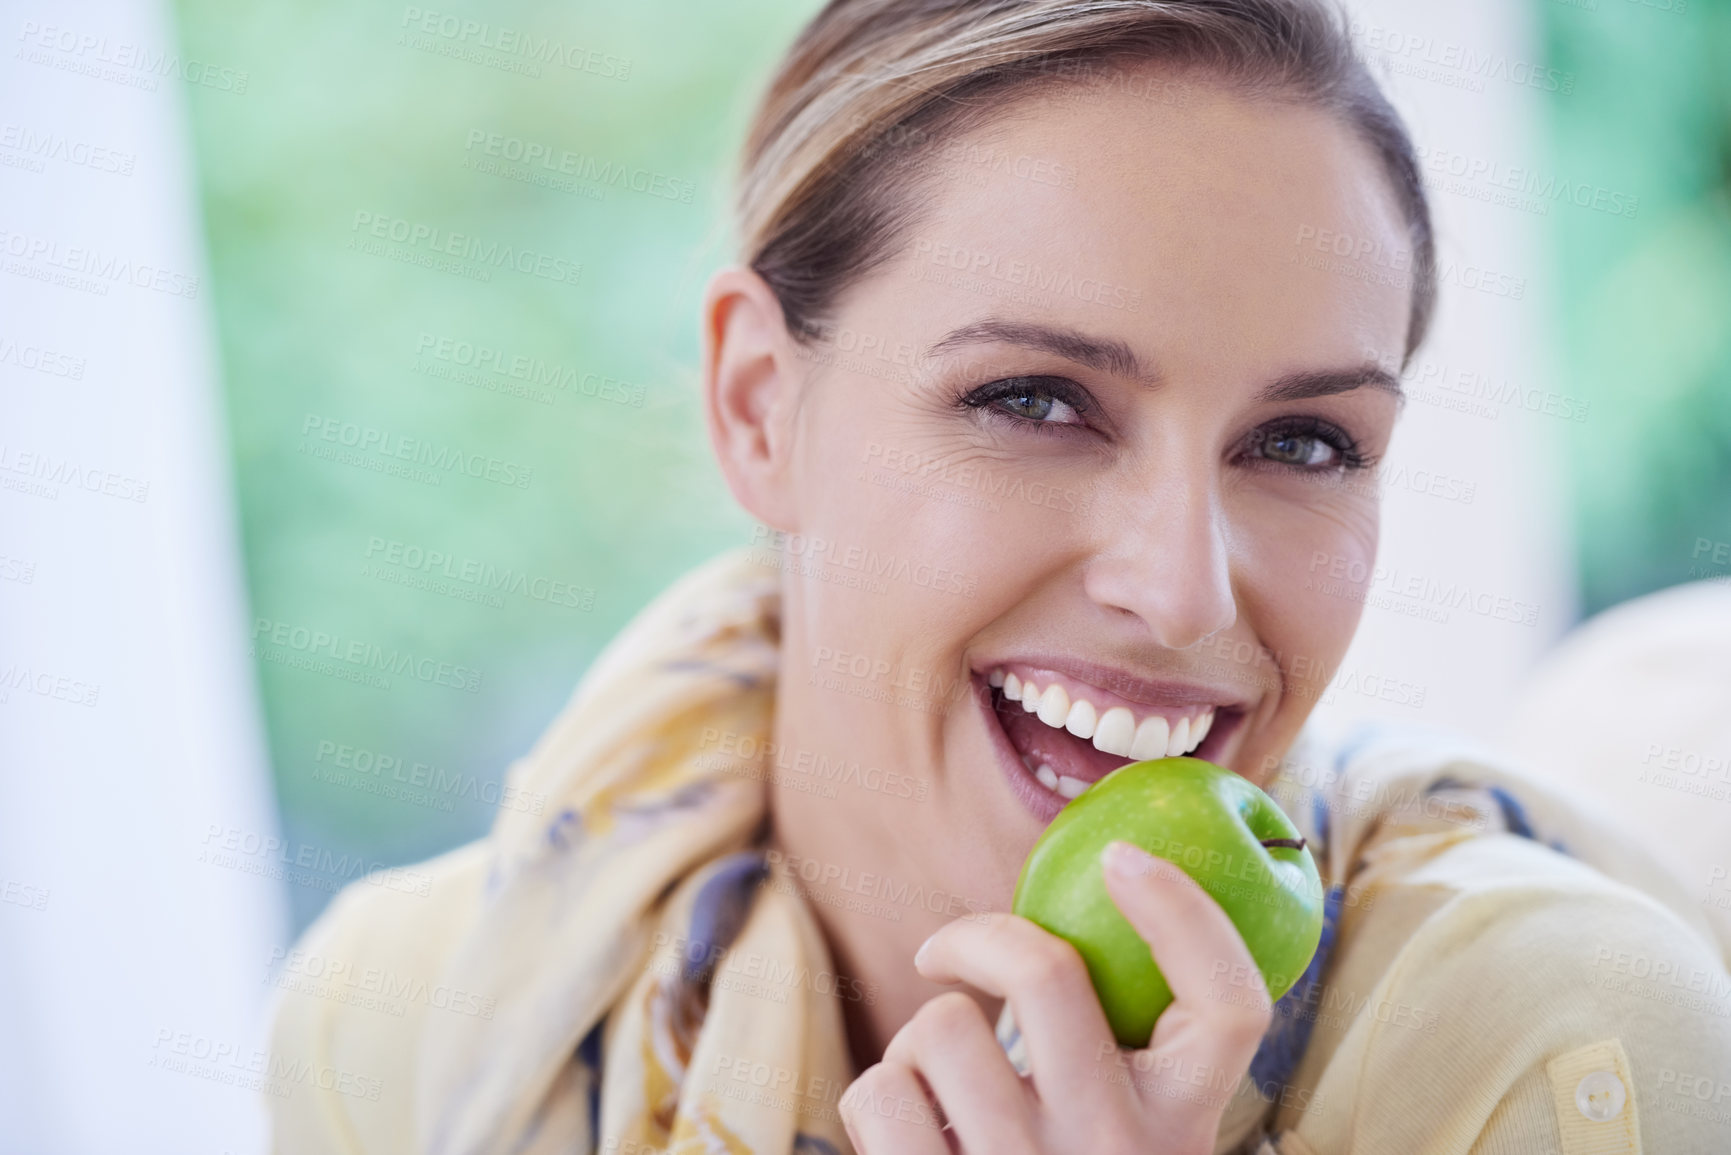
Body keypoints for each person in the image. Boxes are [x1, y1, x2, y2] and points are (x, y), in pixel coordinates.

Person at [266, 2, 1731, 1152]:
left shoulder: (1547, 1054)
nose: (1183, 595)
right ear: (762, 407)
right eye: (1034, 400)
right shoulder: (402, 1023)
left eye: (1302, 441)